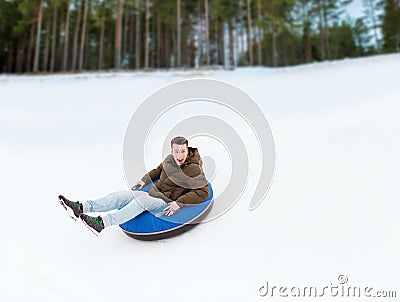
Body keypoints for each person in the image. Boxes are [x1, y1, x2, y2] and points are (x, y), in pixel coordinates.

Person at [59, 136, 210, 235]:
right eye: (176, 151)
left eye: (183, 151)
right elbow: (158, 171)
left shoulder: (193, 169)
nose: (179, 155)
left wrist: (179, 203)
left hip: (165, 202)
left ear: (187, 150)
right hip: (153, 193)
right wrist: (144, 180)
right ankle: (81, 208)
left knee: (141, 201)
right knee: (121, 195)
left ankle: (102, 223)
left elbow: (203, 191)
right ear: (171, 151)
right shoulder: (170, 160)